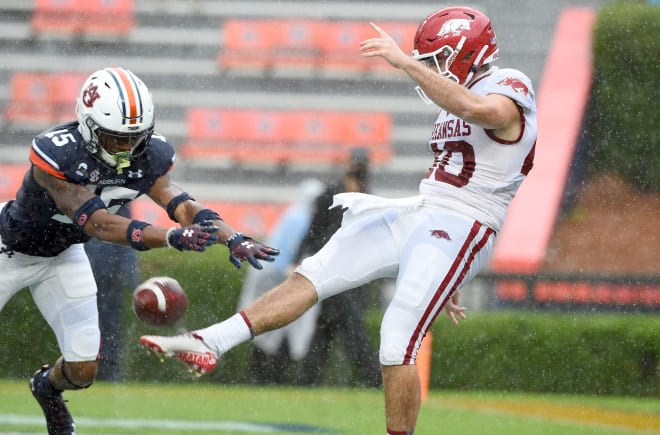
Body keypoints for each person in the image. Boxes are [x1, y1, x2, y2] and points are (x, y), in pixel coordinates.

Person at [140, 6, 537, 434]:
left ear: (468, 54)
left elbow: (487, 113)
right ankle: (211, 342)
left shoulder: (508, 84)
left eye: (438, 60)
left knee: (398, 334)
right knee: (313, 274)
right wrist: (447, 272)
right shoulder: (455, 102)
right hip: (422, 212)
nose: (430, 70)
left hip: (465, 223)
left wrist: (404, 63)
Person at [0, 67, 279, 435]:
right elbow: (98, 224)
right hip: (9, 250)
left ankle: (47, 389)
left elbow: (179, 201)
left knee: (82, 371)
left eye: (135, 138)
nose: (127, 148)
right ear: (89, 127)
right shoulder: (57, 154)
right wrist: (170, 238)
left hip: (61, 256)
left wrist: (231, 236)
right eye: (117, 139)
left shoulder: (149, 154)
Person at [295, 149, 382, 388]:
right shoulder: (330, 196)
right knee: (352, 329)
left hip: (351, 273)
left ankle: (307, 380)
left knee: (325, 329)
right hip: (331, 270)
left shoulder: (368, 199)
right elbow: (312, 231)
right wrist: (300, 259)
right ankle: (375, 379)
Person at [236, 178, 325, 384]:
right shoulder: (300, 218)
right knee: (273, 325)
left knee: (267, 327)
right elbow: (288, 256)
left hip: (272, 275)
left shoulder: (294, 215)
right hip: (275, 277)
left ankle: (265, 376)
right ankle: (267, 376)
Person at [84, 205, 139, 382]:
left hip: (110, 277)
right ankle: (82, 367)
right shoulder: (76, 194)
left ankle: (109, 370)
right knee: (84, 324)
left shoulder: (119, 199)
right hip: (86, 273)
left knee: (111, 326)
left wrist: (130, 273)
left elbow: (129, 233)